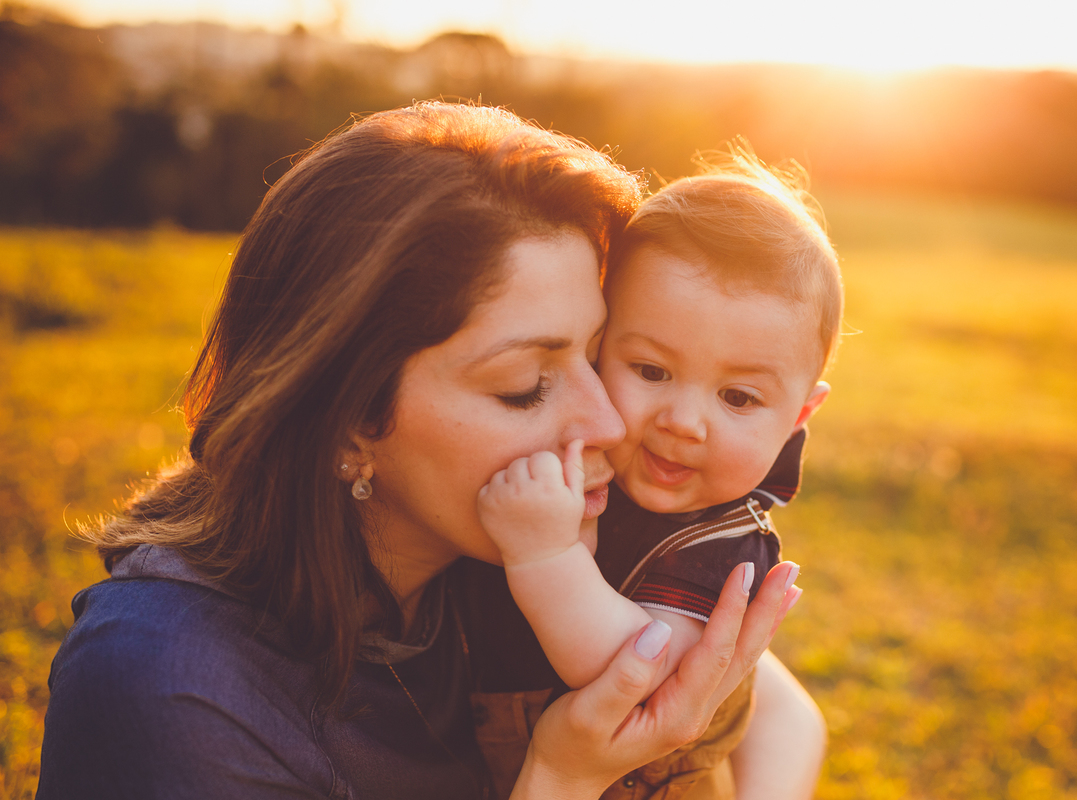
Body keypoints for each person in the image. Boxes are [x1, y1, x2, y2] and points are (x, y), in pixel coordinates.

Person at [35, 103, 817, 800]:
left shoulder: (488, 550)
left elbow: (776, 706)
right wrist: (563, 778)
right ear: (347, 420)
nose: (613, 421)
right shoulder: (174, 689)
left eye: (598, 353)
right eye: (524, 387)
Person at [476, 153, 840, 799]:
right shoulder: (592, 465)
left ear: (799, 417)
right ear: (598, 348)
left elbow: (638, 675)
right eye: (651, 371)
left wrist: (547, 554)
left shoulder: (725, 549)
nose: (684, 422)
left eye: (738, 398)